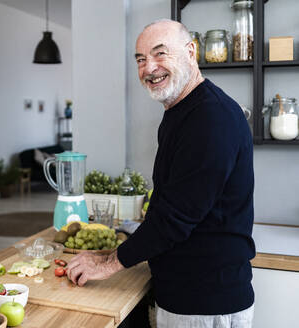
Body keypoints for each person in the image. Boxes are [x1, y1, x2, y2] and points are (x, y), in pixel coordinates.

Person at [66, 19, 255, 327]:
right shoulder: (183, 111)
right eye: (140, 59)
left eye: (160, 53)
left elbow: (174, 219)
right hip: (189, 294)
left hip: (205, 303)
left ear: (191, 52)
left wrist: (107, 264)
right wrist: (119, 251)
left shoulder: (210, 118)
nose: (149, 68)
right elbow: (171, 204)